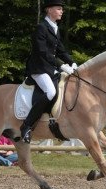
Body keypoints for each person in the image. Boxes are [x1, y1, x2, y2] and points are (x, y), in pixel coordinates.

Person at [20, 0, 78, 143]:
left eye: (61, 9)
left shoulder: (54, 28)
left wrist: (73, 62)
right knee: (50, 92)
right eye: (59, 8)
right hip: (38, 69)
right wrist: (61, 65)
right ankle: (26, 125)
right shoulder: (41, 28)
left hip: (50, 69)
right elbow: (42, 52)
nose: (61, 11)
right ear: (49, 10)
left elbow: (61, 50)